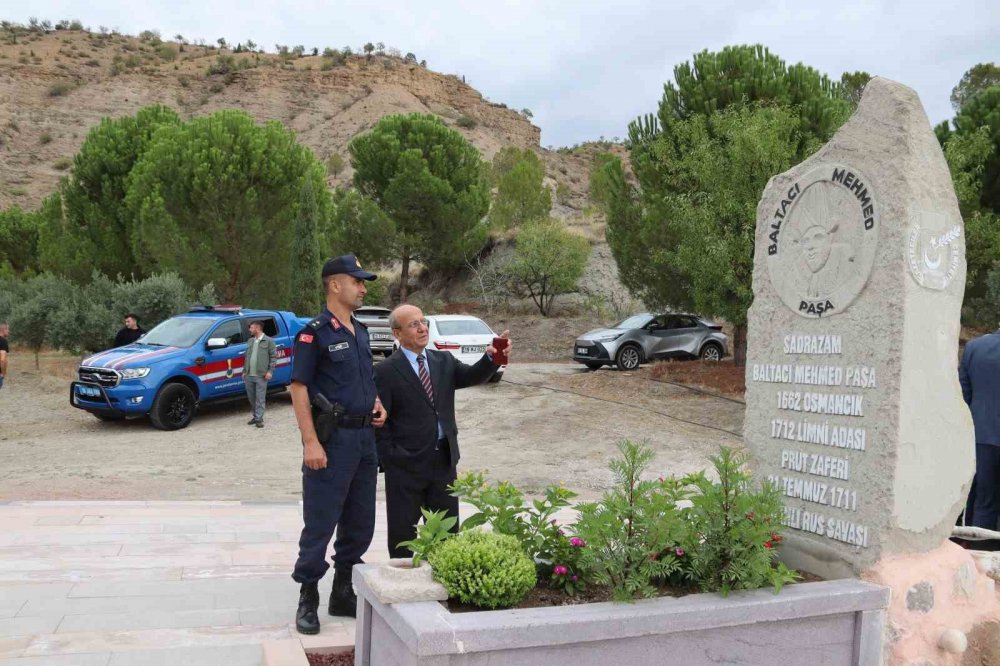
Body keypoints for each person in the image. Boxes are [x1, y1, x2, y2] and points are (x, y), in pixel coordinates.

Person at [290, 254, 387, 635]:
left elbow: (364, 380)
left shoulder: (360, 331)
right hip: (332, 440)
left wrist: (375, 403)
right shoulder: (314, 333)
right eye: (357, 282)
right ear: (334, 285)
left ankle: (342, 591)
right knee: (321, 520)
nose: (363, 288)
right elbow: (298, 389)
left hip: (365, 439)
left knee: (360, 520)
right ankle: (308, 596)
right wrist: (310, 442)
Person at [375, 304, 509, 558]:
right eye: (413, 324)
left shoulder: (442, 360)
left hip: (444, 460)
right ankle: (403, 587)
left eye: (423, 321)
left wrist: (492, 358)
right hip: (405, 466)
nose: (422, 328)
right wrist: (391, 457)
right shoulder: (384, 371)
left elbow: (472, 376)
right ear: (397, 333)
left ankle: (442, 585)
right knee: (403, 535)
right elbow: (379, 422)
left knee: (447, 535)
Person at [959, 330, 1000, 532]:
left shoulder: (975, 348)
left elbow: (963, 398)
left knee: (984, 502)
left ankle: (978, 554)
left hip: (981, 437)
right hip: (982, 435)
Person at [244, 320, 277, 428]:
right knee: (251, 397)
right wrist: (244, 371)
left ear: (257, 328)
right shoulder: (250, 341)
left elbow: (273, 357)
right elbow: (247, 357)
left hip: (261, 375)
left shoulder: (269, 341)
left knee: (260, 398)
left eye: (251, 327)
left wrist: (270, 371)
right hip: (249, 375)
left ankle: (259, 419)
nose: (250, 329)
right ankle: (255, 416)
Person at [0, 322, 8, 392]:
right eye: (8, 329)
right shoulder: (3, 341)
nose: (9, 331)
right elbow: (2, 360)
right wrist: (3, 373)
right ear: (3, 330)